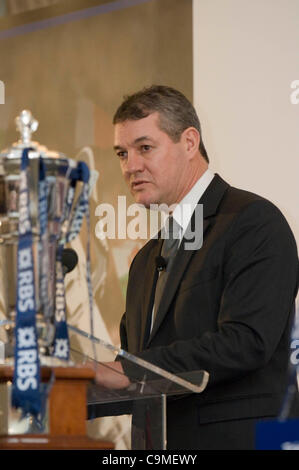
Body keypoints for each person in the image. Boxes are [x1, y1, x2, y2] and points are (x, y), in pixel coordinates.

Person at [93, 85, 299, 450]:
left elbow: (247, 342)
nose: (131, 166)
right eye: (122, 153)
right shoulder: (144, 261)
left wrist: (128, 369)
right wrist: (73, 390)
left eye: (145, 148)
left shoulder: (253, 222)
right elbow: (143, 375)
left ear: (189, 142)